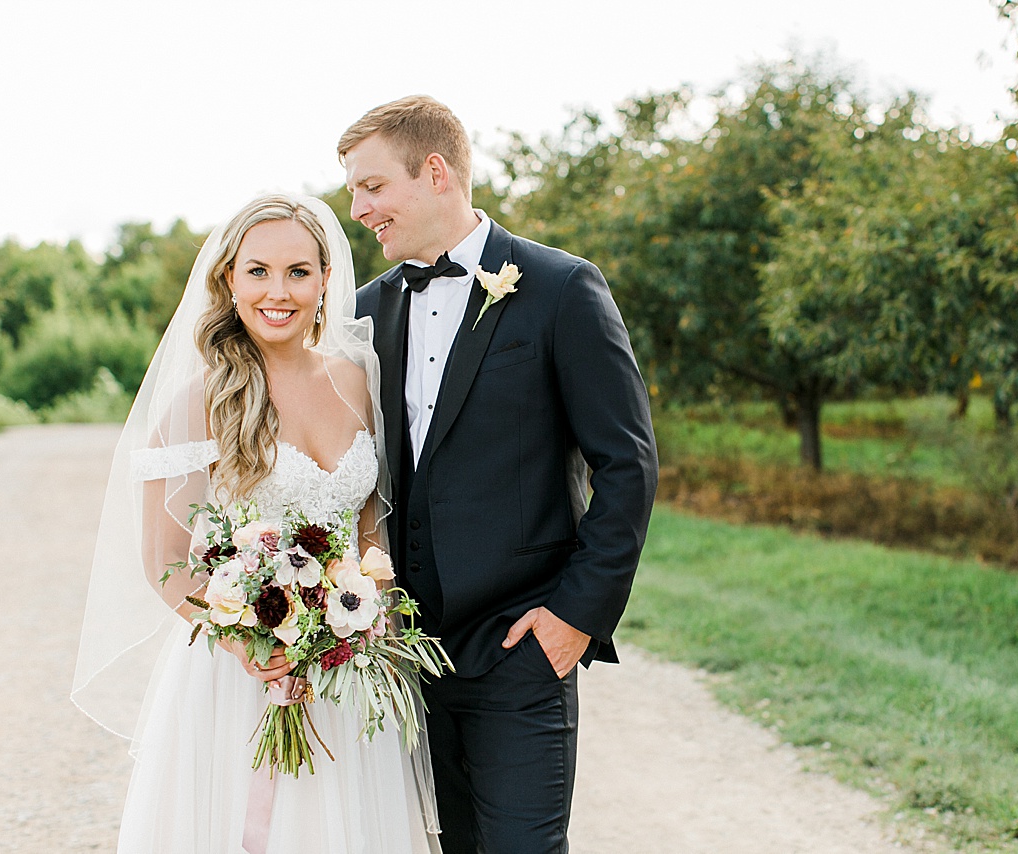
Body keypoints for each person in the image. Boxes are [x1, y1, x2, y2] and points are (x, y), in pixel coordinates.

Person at [71, 193, 441, 853]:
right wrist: (253, 647)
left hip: (345, 672)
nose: (279, 291)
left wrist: (360, 620)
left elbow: (368, 535)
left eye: (298, 272)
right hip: (235, 678)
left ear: (326, 282)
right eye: (258, 271)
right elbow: (166, 561)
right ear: (229, 281)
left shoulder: (357, 382)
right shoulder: (199, 400)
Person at [340, 95, 659, 853]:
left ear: (437, 172)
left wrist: (576, 615)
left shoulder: (561, 288)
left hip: (520, 647)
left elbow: (627, 462)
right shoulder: (359, 313)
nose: (357, 208)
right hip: (402, 658)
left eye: (372, 186)